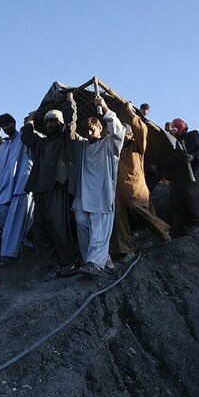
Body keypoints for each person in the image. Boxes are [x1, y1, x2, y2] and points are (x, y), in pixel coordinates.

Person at [21, 94, 80, 279]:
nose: (49, 125)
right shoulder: (41, 143)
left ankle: (68, 262)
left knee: (58, 222)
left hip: (58, 187)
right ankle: (49, 265)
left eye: (53, 121)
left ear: (60, 123)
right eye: (47, 122)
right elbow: (26, 135)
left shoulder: (66, 139)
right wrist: (32, 118)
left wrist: (69, 101)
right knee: (41, 227)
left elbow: (71, 121)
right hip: (40, 188)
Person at [70, 96, 126, 276]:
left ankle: (95, 263)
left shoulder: (109, 144)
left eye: (92, 129)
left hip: (102, 193)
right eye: (86, 130)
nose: (89, 133)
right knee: (81, 223)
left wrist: (105, 108)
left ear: (100, 128)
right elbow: (71, 133)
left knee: (99, 228)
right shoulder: (83, 146)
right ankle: (94, 259)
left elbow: (119, 132)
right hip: (84, 194)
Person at [111, 103, 171, 263]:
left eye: (124, 134)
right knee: (120, 218)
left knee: (135, 207)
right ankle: (125, 250)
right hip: (119, 190)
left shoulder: (136, 148)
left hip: (136, 189)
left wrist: (131, 113)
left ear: (130, 136)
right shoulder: (116, 151)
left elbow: (142, 130)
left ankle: (164, 231)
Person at [0, 114, 34, 268]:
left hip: (22, 185)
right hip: (6, 187)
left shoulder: (24, 138)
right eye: (3, 126)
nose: (6, 128)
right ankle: (22, 241)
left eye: (8, 124)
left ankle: (7, 255)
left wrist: (31, 120)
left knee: (14, 217)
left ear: (14, 123)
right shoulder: (3, 146)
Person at [166, 118, 199, 235]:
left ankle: (198, 223)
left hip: (193, 173)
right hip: (179, 174)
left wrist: (193, 157)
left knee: (192, 196)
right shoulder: (174, 141)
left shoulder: (193, 136)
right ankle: (180, 225)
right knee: (176, 198)